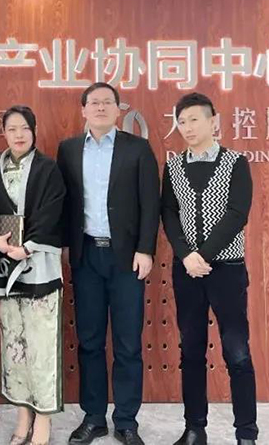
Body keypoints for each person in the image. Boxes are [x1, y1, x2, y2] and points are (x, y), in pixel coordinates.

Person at [57, 82, 160, 445]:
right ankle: (94, 417)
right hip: (86, 255)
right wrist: (65, 245)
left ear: (118, 110)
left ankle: (127, 421)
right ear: (83, 110)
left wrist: (145, 250)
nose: (100, 108)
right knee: (89, 341)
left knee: (128, 343)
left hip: (127, 258)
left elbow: (151, 203)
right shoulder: (69, 149)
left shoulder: (138, 148)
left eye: (107, 102)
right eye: (94, 103)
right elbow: (64, 202)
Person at [161, 92, 257, 445]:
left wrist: (204, 255)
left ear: (213, 121)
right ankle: (194, 429)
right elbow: (169, 213)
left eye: (194, 120)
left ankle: (246, 433)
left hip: (227, 269)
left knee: (237, 351)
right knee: (191, 350)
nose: (187, 128)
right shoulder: (173, 166)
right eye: (181, 122)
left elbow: (237, 213)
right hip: (187, 271)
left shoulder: (235, 162)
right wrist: (187, 255)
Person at [0, 105, 66, 445]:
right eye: (12, 128)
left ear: (34, 131)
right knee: (14, 345)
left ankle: (43, 420)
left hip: (39, 265)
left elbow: (53, 211)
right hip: (6, 269)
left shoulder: (48, 169)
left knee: (42, 348)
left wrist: (27, 247)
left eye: (24, 128)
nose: (18, 135)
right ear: (3, 133)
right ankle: (22, 415)